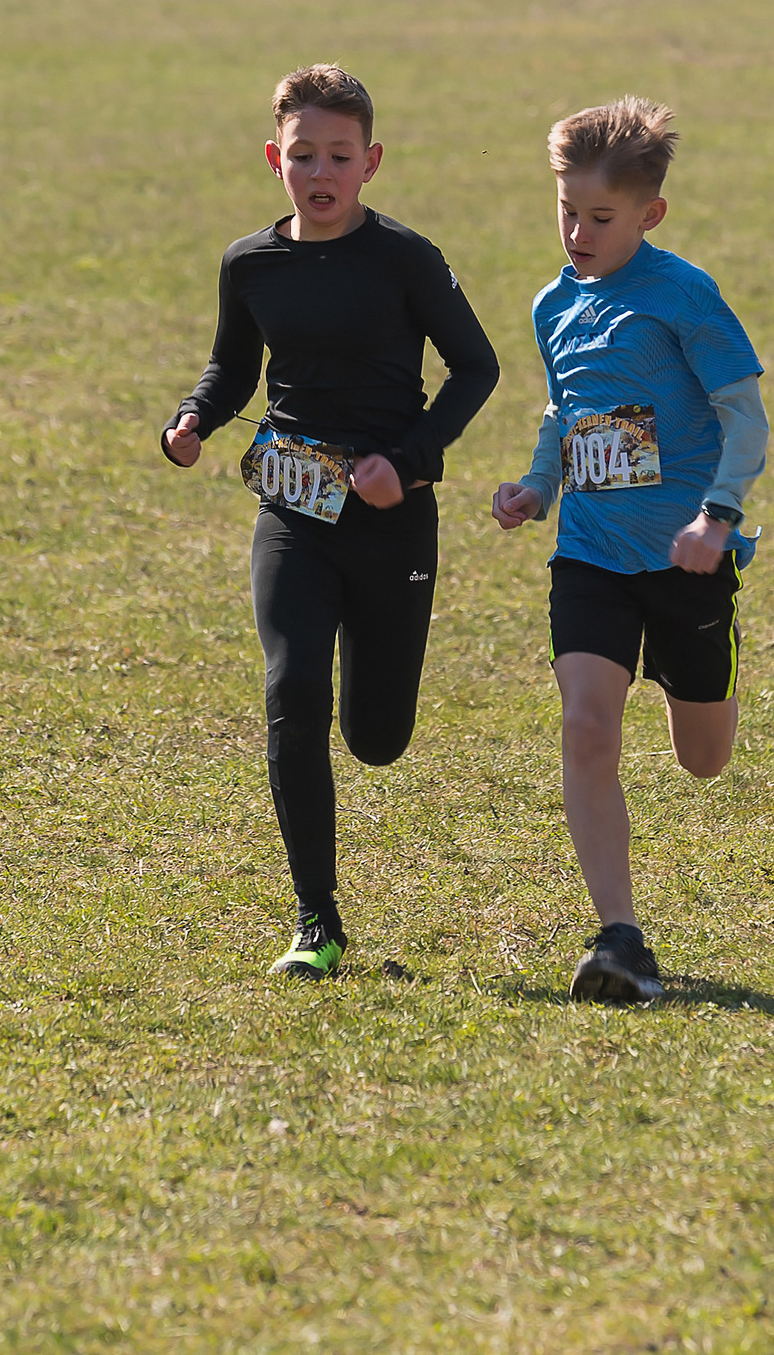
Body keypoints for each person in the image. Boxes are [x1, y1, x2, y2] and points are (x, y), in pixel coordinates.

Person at [161, 65, 499, 980]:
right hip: (294, 508)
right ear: (275, 157)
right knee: (292, 692)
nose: (321, 171)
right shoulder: (250, 262)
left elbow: (476, 367)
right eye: (303, 153)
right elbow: (234, 368)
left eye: (340, 156)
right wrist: (192, 418)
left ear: (371, 162)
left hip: (393, 521)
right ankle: (317, 919)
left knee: (377, 736)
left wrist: (412, 459)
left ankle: (371, 708)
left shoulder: (406, 259)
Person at [492, 97, 768, 1002]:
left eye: (599, 217)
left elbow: (745, 416)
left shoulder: (685, 295)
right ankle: (620, 936)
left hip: (688, 560)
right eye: (565, 209)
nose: (577, 231)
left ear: (649, 214)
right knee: (585, 724)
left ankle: (715, 659)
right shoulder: (550, 304)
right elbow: (564, 408)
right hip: (592, 555)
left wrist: (717, 518)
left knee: (703, 758)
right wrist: (539, 485)